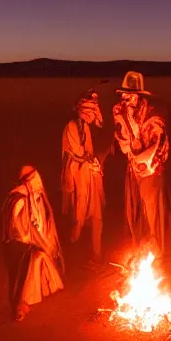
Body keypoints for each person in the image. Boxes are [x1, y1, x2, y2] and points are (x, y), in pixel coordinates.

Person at [112, 71, 171, 258]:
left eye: (130, 95)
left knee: (153, 212)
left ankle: (159, 253)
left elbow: (156, 144)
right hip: (134, 169)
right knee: (135, 209)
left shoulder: (153, 114)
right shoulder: (121, 111)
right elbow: (124, 144)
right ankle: (140, 248)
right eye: (123, 95)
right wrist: (125, 121)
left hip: (151, 170)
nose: (126, 99)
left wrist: (143, 159)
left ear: (139, 96)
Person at [2, 166, 65, 321]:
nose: (39, 184)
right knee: (22, 274)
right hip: (17, 246)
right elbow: (11, 221)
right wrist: (20, 234)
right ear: (28, 181)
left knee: (38, 261)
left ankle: (26, 301)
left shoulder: (34, 196)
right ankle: (19, 307)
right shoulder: (19, 198)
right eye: (35, 180)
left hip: (27, 244)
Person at [62, 90, 105, 262]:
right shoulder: (71, 126)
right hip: (77, 175)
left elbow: (92, 150)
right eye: (89, 112)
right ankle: (72, 254)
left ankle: (96, 255)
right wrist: (91, 162)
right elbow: (78, 152)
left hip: (90, 175)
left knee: (96, 214)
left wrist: (95, 164)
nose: (91, 116)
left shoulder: (86, 127)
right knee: (78, 215)